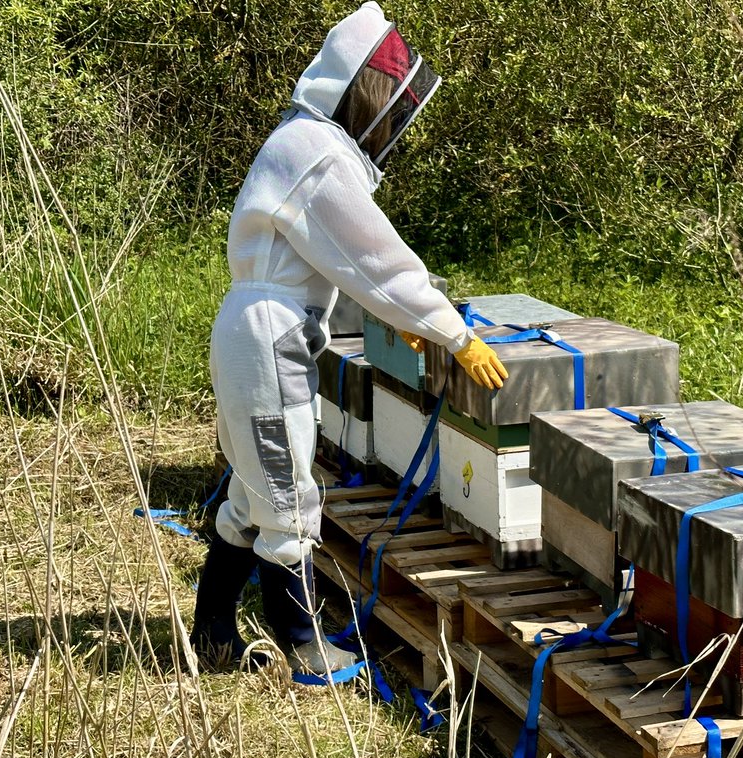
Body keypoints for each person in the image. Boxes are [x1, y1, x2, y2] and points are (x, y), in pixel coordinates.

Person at [191, 1, 508, 674]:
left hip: (262, 334)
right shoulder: (315, 153)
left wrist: (399, 317)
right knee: (284, 497)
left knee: (254, 496)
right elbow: (377, 259)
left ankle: (213, 638)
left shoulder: (302, 145)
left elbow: (346, 266)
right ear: (360, 92)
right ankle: (306, 652)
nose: (390, 122)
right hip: (268, 340)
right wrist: (450, 332)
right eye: (386, 105)